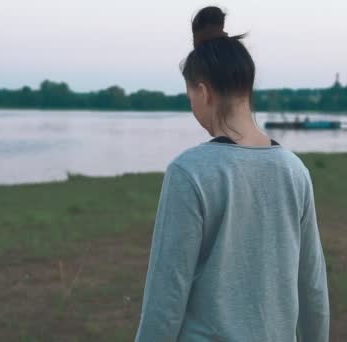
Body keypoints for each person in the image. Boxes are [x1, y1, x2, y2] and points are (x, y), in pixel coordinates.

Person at [134, 6, 329, 342]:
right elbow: (312, 286)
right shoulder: (295, 171)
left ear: (204, 92)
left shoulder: (189, 171)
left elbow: (166, 297)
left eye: (190, 96)